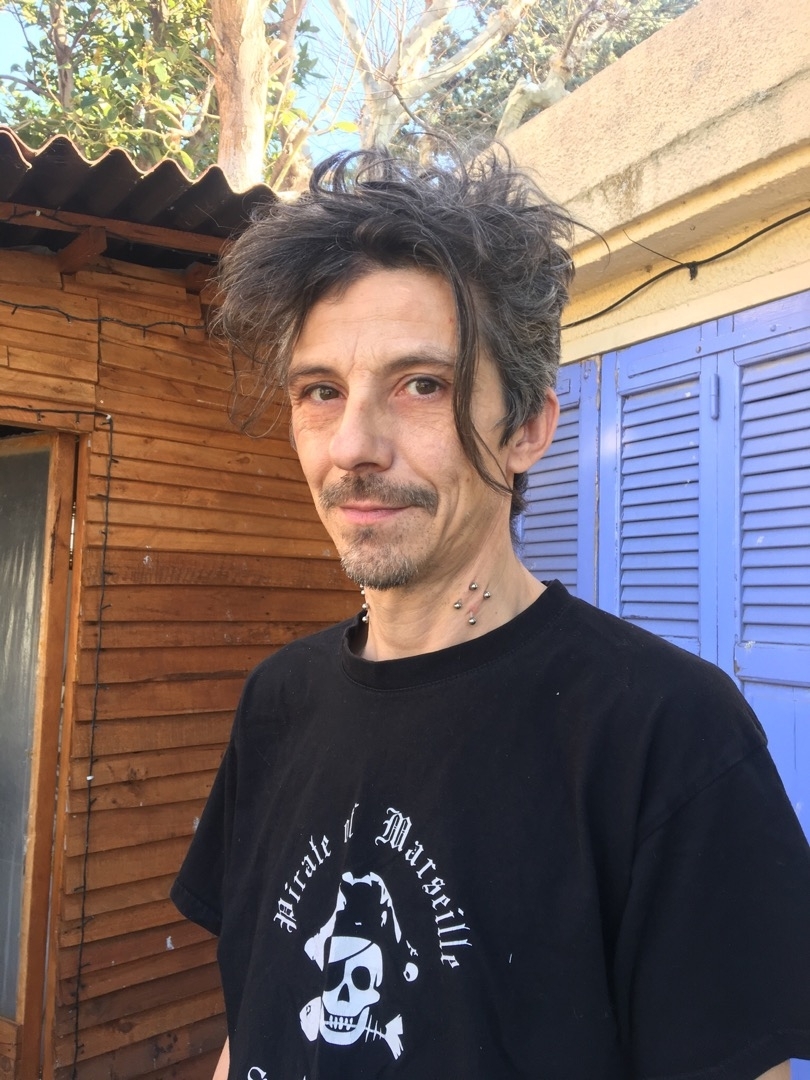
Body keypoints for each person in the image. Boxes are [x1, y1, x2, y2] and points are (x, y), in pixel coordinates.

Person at [171, 146, 810, 1080]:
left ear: (528, 429)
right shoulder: (278, 700)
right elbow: (261, 1011)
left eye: (421, 385)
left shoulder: (668, 733)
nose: (353, 447)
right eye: (321, 392)